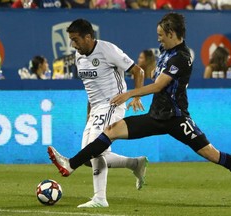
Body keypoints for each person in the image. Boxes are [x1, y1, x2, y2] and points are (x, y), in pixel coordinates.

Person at [48, 12, 231, 206]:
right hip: (156, 116)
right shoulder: (165, 51)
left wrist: (130, 94)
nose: (158, 39)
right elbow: (148, 74)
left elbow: (158, 85)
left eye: (160, 35)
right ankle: (71, 164)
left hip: (176, 119)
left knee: (212, 154)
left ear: (172, 33)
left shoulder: (182, 58)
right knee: (111, 131)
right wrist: (137, 91)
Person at [49, 19, 148, 208]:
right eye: (71, 40)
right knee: (90, 156)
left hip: (113, 103)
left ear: (88, 37)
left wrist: (136, 97)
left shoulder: (108, 50)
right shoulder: (79, 57)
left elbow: (139, 71)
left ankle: (99, 198)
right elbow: (91, 89)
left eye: (76, 40)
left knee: (93, 150)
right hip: (96, 108)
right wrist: (89, 113)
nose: (73, 45)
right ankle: (135, 164)